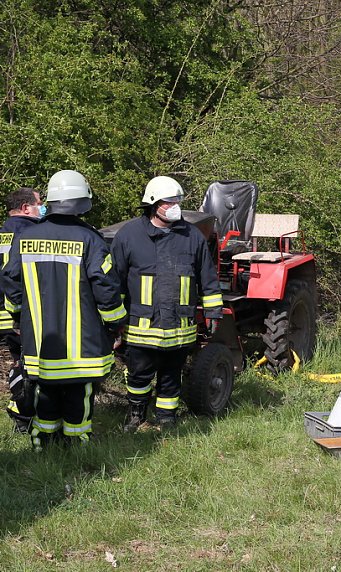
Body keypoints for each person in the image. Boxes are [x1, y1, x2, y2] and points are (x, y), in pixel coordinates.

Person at [1, 170, 127, 449]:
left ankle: (42, 442)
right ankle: (77, 445)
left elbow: (9, 280)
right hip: (81, 344)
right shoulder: (91, 239)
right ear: (82, 203)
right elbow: (105, 287)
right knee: (78, 393)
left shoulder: (26, 238)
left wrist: (19, 316)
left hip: (40, 341)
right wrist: (115, 322)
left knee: (44, 391)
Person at [111, 176, 222, 432]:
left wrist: (214, 311)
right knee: (138, 376)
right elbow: (113, 281)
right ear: (153, 203)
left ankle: (166, 419)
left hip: (179, 329)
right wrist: (113, 322)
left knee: (171, 377)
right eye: (169, 201)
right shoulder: (129, 235)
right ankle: (136, 415)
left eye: (178, 201)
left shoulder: (191, 236)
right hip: (141, 329)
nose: (175, 206)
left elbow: (207, 275)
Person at [0, 188, 45, 433]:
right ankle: (22, 415)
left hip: (4, 313)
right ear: (27, 208)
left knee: (20, 364)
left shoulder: (3, 231)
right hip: (19, 314)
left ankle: (22, 412)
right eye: (40, 203)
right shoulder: (30, 233)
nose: (43, 207)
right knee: (29, 369)